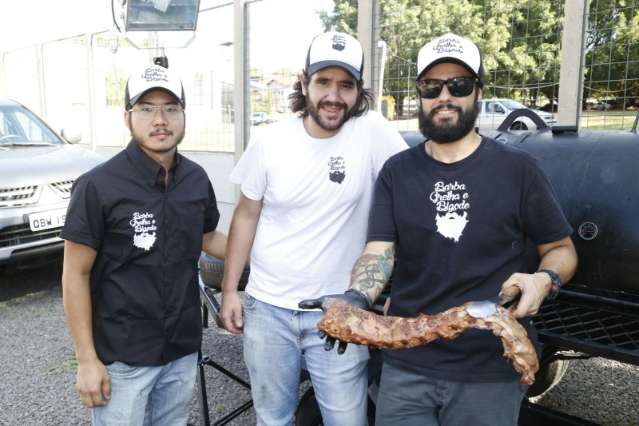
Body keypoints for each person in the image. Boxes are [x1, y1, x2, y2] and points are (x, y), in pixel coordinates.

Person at [302, 33, 578, 426]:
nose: (444, 95)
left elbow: (563, 249)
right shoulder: (397, 172)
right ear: (420, 93)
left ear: (477, 91)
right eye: (432, 86)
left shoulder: (519, 170)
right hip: (406, 366)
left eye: (459, 85)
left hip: (488, 366)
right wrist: (355, 299)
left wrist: (544, 278)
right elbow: (380, 250)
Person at [220, 31, 407, 426]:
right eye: (323, 82)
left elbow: (411, 202)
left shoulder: (373, 132)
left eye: (346, 85)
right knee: (273, 419)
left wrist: (404, 286)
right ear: (304, 82)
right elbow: (246, 215)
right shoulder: (270, 139)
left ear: (359, 90)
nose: (333, 96)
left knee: (347, 420)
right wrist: (229, 291)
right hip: (268, 307)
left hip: (341, 309)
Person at [61, 64, 226, 425]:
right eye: (147, 108)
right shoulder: (98, 186)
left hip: (180, 351)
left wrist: (270, 251)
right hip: (122, 359)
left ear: (183, 114)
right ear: (127, 117)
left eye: (170, 108)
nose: (160, 119)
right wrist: (87, 360)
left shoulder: (196, 179)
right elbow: (75, 274)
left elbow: (208, 237)